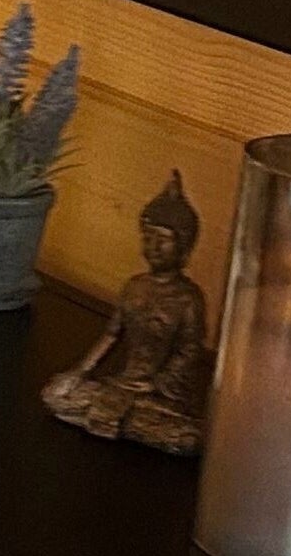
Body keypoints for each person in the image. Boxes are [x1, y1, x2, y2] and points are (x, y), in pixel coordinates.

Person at [42, 172, 212, 456]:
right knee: (55, 394)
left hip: (159, 395)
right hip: (121, 385)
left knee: (189, 438)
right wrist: (80, 371)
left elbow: (189, 351)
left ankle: (116, 419)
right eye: (148, 236)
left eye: (163, 239)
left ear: (183, 247)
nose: (153, 246)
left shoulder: (188, 298)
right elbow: (111, 334)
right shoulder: (135, 287)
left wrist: (155, 384)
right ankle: (118, 420)